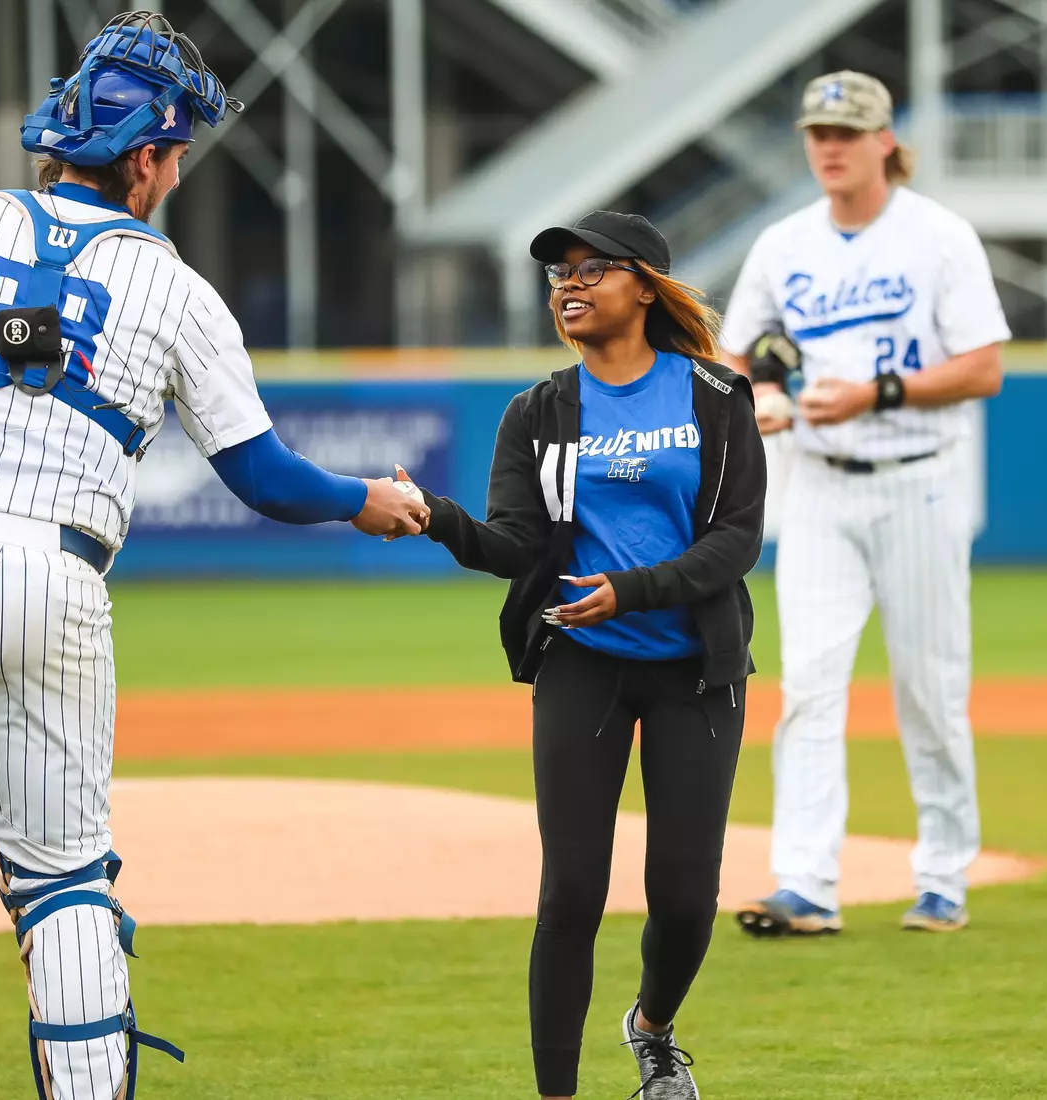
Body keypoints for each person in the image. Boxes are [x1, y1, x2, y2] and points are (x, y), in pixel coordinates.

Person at [0, 13, 426, 1100]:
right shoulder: (180, 290)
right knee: (61, 876)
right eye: (176, 152)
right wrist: (365, 501)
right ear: (147, 159)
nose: (177, 171)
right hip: (53, 578)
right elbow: (263, 476)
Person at [405, 211, 766, 1099]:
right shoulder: (537, 412)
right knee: (570, 892)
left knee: (685, 899)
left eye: (592, 268)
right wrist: (437, 518)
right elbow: (518, 546)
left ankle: (652, 1029)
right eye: (558, 273)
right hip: (583, 663)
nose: (569, 284)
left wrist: (632, 589)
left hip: (695, 671)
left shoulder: (715, 397)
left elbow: (736, 541)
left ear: (645, 286)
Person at [720, 71, 1010, 937]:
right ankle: (805, 883)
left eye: (847, 132)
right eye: (818, 133)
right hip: (817, 483)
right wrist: (762, 394)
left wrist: (875, 394)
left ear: (886, 141)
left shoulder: (939, 237)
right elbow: (737, 356)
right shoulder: (782, 244)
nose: (830, 147)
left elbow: (983, 368)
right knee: (809, 687)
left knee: (930, 690)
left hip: (919, 477)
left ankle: (944, 878)